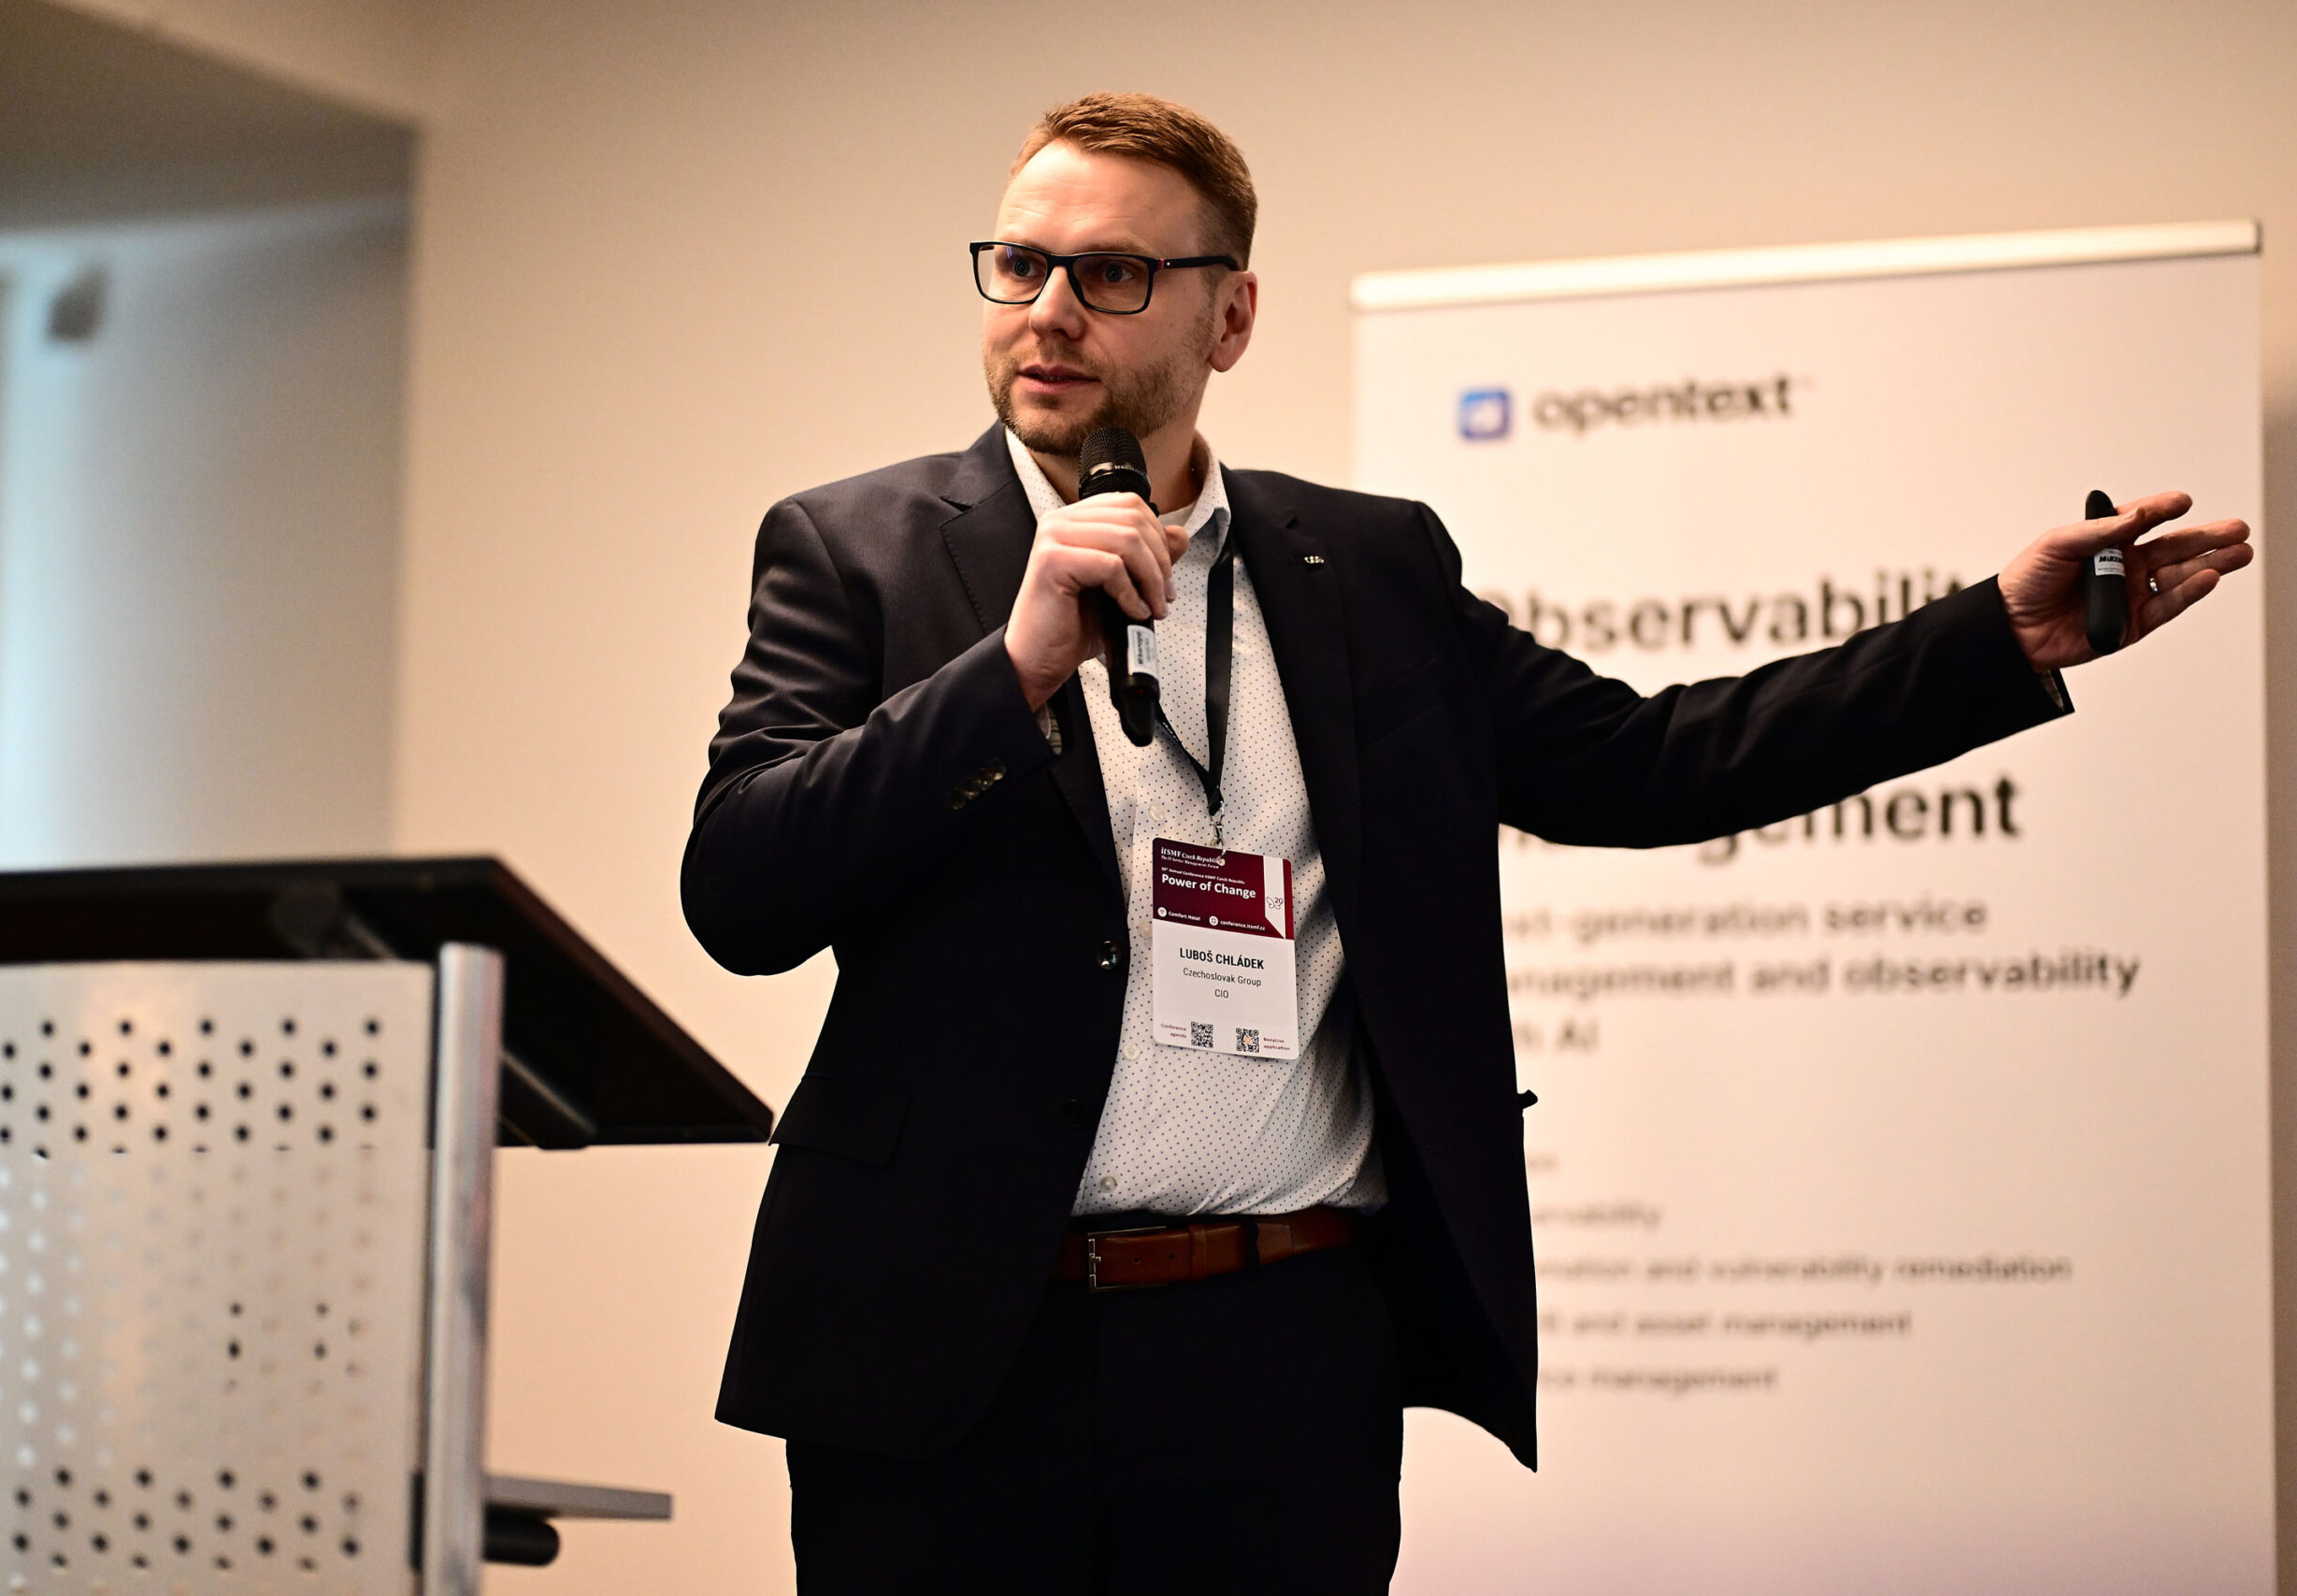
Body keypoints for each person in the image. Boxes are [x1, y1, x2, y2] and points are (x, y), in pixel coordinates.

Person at [682, 92, 2250, 1595]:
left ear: (1230, 317)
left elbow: (1649, 762)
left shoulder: (1362, 568)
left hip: (1282, 1351)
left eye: (1113, 274)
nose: (1048, 312)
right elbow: (743, 885)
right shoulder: (858, 550)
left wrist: (1991, 643)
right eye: (1020, 264)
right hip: (954, 1351)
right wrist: (1011, 671)